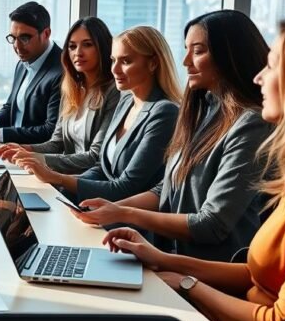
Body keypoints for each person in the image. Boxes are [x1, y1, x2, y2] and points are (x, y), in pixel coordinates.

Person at [104, 18, 285, 321]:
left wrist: (188, 284)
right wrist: (161, 260)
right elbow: (259, 276)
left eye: (272, 66)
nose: (259, 77)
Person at [71, 11, 272, 262]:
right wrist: (116, 210)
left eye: (198, 52)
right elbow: (166, 188)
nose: (186, 61)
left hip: (207, 271)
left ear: (230, 55)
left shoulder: (250, 124)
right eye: (186, 50)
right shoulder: (201, 112)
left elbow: (212, 223)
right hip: (167, 255)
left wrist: (127, 214)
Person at [16, 25, 181, 204]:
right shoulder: (126, 101)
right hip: (97, 205)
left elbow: (126, 187)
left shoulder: (164, 112)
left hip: (125, 219)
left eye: (125, 61)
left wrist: (57, 178)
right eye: (113, 60)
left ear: (153, 63)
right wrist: (63, 192)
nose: (115, 70)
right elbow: (101, 168)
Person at [0, 16, 121, 174]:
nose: (78, 53)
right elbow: (56, 143)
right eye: (72, 46)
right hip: (62, 175)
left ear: (103, 48)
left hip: (85, 182)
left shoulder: (113, 92)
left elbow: (95, 156)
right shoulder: (72, 89)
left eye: (87, 45)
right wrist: (21, 149)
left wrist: (36, 158)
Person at [0, 1, 63, 144]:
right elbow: (11, 107)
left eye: (24, 38)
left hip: (35, 157)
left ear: (46, 34)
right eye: (13, 38)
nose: (17, 46)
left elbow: (51, 131)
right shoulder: (23, 64)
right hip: (12, 151)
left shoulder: (62, 71)